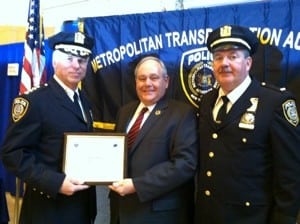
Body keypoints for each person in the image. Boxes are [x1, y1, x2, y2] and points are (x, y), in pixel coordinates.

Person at [194, 24, 300, 224]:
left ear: (248, 63)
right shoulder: (207, 101)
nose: (224, 63)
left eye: (233, 56)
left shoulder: (275, 102)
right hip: (207, 215)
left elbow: (290, 176)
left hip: (251, 218)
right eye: (218, 57)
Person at [0, 31, 97, 224]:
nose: (77, 65)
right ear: (55, 62)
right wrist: (56, 182)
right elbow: (12, 154)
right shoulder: (34, 101)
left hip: (81, 206)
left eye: (82, 60)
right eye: (70, 59)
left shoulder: (84, 101)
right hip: (47, 208)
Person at [108, 56, 198, 224]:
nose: (147, 83)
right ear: (135, 82)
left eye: (154, 77)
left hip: (159, 214)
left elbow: (185, 164)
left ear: (166, 81)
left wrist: (137, 185)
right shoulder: (124, 112)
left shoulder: (182, 114)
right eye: (142, 78)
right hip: (121, 210)